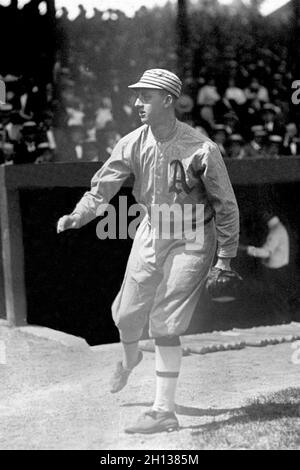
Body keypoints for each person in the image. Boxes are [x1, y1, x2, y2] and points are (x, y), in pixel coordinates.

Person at [57, 69, 239, 434]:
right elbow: (101, 189)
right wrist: (79, 215)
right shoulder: (131, 142)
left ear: (168, 100)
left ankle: (162, 411)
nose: (137, 103)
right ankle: (130, 357)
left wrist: (225, 257)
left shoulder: (202, 148)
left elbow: (226, 205)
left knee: (164, 320)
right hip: (153, 230)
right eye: (137, 95)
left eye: (146, 96)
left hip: (191, 236)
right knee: (126, 315)